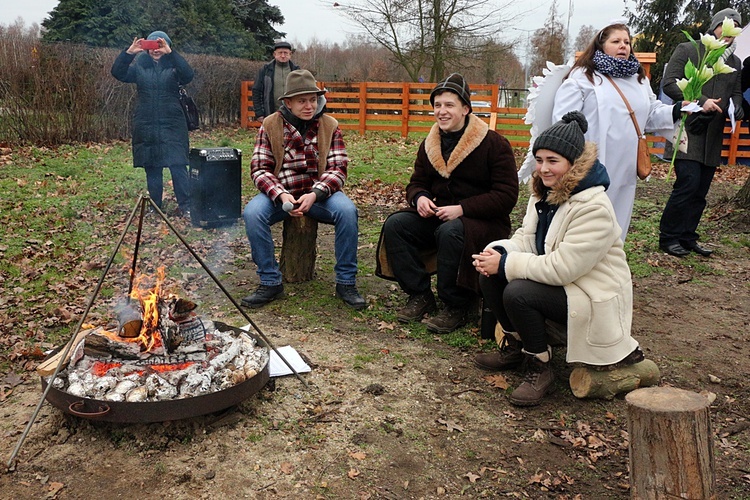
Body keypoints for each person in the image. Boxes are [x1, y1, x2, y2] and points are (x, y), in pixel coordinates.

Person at [472, 111, 643, 406]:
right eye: (539, 160)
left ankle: (540, 365)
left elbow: (563, 268)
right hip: (565, 285)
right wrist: (499, 253)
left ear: (574, 164)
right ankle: (515, 345)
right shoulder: (543, 194)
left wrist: (506, 265)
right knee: (491, 275)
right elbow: (528, 238)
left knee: (518, 291)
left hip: (590, 294)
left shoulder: (594, 207)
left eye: (553, 161)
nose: (543, 169)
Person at [376, 74, 519, 334]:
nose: (442, 111)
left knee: (451, 231)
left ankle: (458, 304)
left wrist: (463, 209)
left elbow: (507, 195)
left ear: (465, 109)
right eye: (438, 105)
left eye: (449, 105)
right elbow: (416, 182)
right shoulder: (430, 144)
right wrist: (419, 198)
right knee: (397, 224)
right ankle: (419, 294)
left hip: (483, 223)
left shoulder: (494, 144)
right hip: (440, 216)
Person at [242, 69, 365, 310]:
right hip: (280, 195)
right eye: (302, 101)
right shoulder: (270, 125)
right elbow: (259, 169)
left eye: (313, 99)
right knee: (252, 213)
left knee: (348, 212)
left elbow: (338, 168)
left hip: (319, 196)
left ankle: (346, 282)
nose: (309, 106)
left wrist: (316, 194)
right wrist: (281, 194)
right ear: (288, 102)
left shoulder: (330, 125)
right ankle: (269, 281)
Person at [553, 22, 684, 241]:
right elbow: (564, 119)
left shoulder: (639, 80)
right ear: (601, 45)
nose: (623, 46)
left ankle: (611, 261)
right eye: (616, 41)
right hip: (591, 161)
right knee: (588, 216)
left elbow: (650, 114)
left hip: (625, 164)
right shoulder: (583, 77)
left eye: (627, 42)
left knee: (617, 217)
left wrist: (677, 110)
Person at [659, 8, 745, 257]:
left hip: (713, 134)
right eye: (726, 25)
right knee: (687, 184)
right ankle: (668, 237)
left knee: (701, 190)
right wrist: (702, 99)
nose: (729, 31)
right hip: (689, 130)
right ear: (715, 26)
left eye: (735, 26)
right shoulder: (690, 50)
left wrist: (737, 107)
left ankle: (688, 236)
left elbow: (736, 92)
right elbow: (670, 82)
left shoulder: (734, 62)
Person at [111, 31, 194, 216]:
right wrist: (129, 53)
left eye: (159, 46)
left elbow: (188, 75)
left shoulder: (174, 66)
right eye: (152, 47)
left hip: (172, 123)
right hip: (147, 123)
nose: (156, 51)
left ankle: (186, 206)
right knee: (152, 167)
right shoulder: (139, 67)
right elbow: (117, 72)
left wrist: (170, 52)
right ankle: (155, 207)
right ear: (146, 48)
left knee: (178, 165)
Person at [252, 41, 300, 124]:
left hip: (292, 115)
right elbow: (257, 91)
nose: (283, 55)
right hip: (270, 113)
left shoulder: (296, 70)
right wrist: (259, 113)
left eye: (285, 53)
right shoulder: (265, 70)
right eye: (280, 53)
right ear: (274, 54)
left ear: (290, 54)